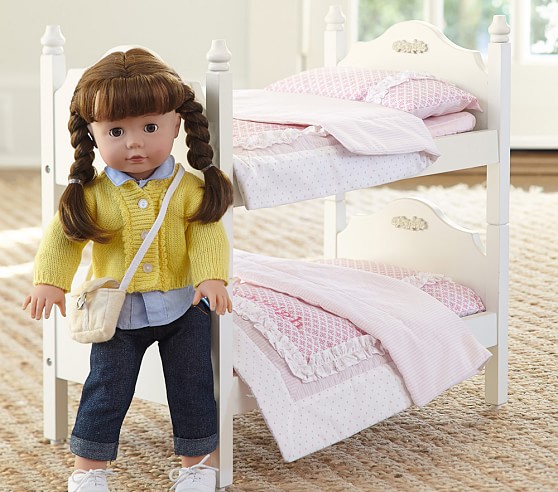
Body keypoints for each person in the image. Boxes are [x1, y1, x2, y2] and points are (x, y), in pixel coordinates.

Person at [22, 47, 233, 492]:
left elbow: (206, 233)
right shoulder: (93, 194)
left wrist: (211, 275)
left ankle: (198, 464)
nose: (134, 143)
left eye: (150, 127)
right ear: (93, 134)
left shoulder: (188, 189)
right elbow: (63, 237)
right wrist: (50, 281)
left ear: (177, 124)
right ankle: (88, 469)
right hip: (116, 315)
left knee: (193, 386)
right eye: (116, 131)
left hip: (183, 306)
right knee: (105, 388)